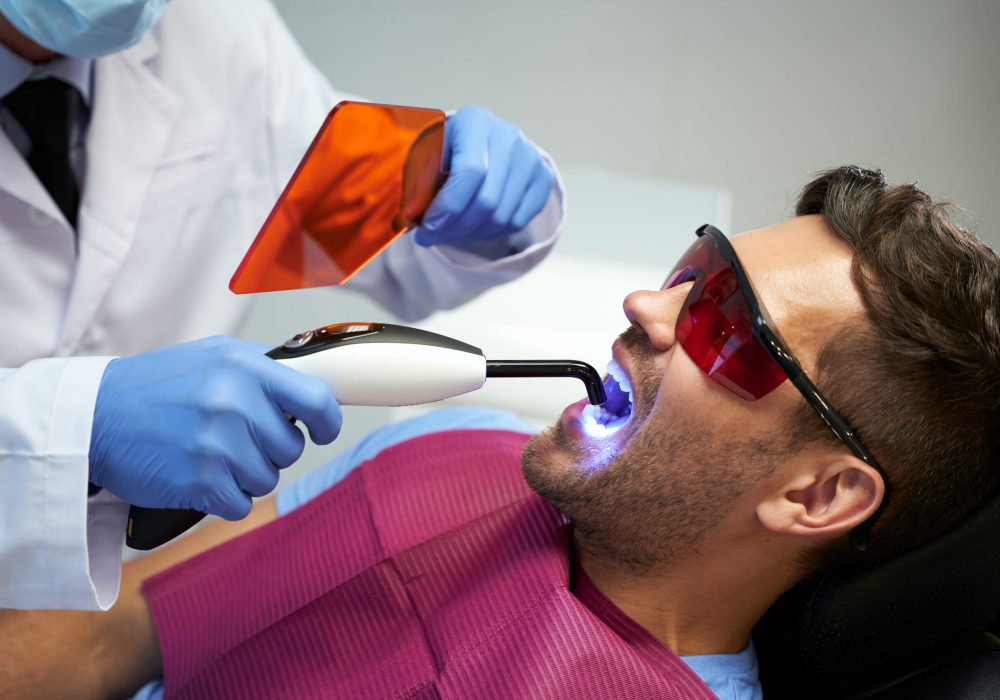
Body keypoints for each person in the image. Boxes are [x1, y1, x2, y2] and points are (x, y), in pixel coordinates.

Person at [0, 166, 997, 700]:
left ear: (816, 495)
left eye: (724, 322)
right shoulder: (454, 443)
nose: (647, 303)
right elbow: (105, 641)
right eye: (694, 269)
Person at [0, 0, 566, 610]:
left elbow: (348, 220)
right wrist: (74, 430)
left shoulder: (214, 27)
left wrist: (455, 188)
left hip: (136, 584)